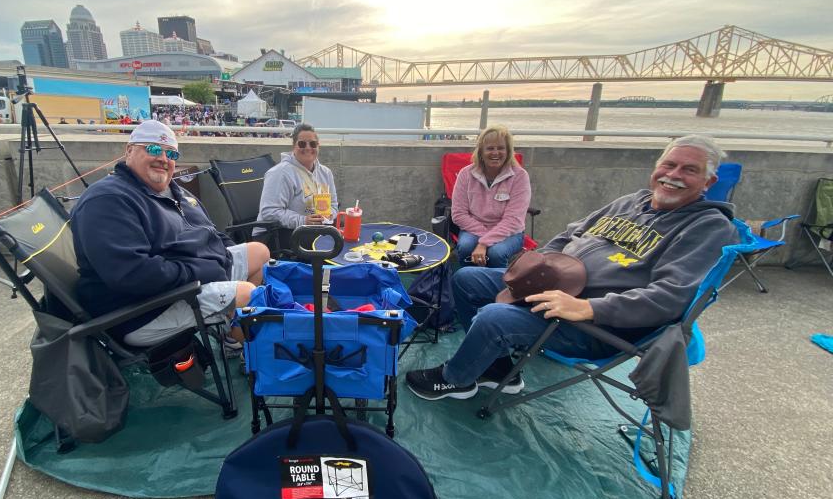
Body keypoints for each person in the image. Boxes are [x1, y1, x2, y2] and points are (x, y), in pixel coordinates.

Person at [406, 134, 738, 401]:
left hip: (596, 324)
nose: (674, 175)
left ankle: (456, 379)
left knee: (495, 317)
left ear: (709, 181)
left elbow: (670, 297)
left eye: (689, 170)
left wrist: (587, 307)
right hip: (555, 290)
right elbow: (568, 235)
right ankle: (496, 369)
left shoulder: (707, 228)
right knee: (467, 279)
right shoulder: (629, 203)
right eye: (669, 164)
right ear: (656, 167)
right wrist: (536, 267)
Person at [70, 120, 270, 347]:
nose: (163, 159)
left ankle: (230, 335)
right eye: (153, 149)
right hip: (141, 309)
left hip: (187, 277)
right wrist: (202, 271)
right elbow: (132, 275)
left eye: (172, 154)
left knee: (259, 252)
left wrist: (218, 258)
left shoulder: (175, 192)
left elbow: (210, 232)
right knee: (247, 295)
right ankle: (250, 359)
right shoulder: (108, 200)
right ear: (129, 151)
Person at [451, 125, 532, 268]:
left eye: (501, 148)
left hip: (509, 232)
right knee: (465, 247)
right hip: (474, 228)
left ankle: (498, 288)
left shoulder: (520, 176)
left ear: (508, 152)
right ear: (481, 152)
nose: (496, 153)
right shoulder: (465, 174)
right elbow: (458, 214)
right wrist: (486, 235)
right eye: (490, 148)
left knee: (496, 253)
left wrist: (484, 242)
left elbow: (513, 220)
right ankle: (466, 284)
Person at [255, 123, 338, 234]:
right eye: (302, 144)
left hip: (313, 229)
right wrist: (303, 221)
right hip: (278, 234)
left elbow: (333, 205)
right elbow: (269, 212)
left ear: (318, 146)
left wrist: (328, 215)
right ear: (294, 146)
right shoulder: (280, 173)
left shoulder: (326, 173)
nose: (308, 148)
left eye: (313, 144)